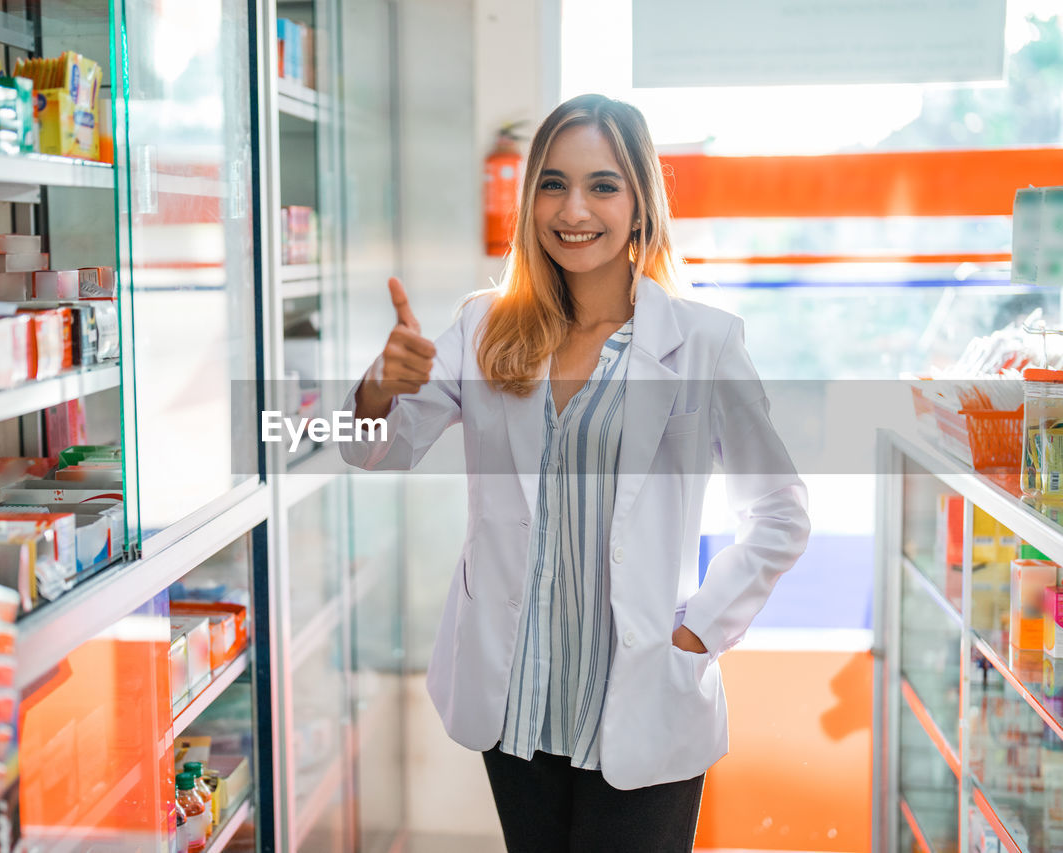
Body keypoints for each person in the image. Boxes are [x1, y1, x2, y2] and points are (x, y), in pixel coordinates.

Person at [340, 93, 809, 852]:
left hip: (643, 693)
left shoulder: (701, 343)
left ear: (640, 203)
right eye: (553, 183)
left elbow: (781, 512)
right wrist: (376, 387)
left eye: (602, 184)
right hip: (518, 700)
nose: (574, 208)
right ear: (531, 201)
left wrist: (697, 632)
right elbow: (371, 447)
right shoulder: (484, 329)